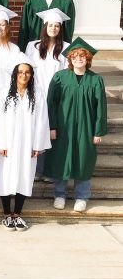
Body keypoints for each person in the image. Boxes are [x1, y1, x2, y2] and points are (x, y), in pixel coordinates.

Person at [45, 38, 108, 213]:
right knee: (61, 159)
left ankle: (82, 196)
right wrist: (52, 127)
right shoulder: (60, 77)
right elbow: (51, 104)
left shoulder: (96, 80)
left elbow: (101, 107)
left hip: (86, 128)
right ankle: (59, 194)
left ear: (87, 59)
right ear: (70, 58)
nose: (78, 59)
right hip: (63, 127)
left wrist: (98, 131)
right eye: (75, 56)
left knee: (83, 160)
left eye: (82, 56)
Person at [0, 53, 51, 231]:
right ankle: (6, 214)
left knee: (24, 176)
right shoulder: (4, 93)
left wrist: (38, 145)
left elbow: (42, 120)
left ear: (31, 74)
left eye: (27, 72)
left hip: (28, 142)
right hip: (8, 143)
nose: (24, 75)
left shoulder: (38, 94)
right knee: (6, 177)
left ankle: (17, 214)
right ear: (14, 74)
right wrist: (0, 143)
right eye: (20, 72)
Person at [24, 8, 71, 181]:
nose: (53, 28)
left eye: (57, 26)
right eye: (50, 25)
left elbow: (67, 73)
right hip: (36, 94)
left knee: (53, 132)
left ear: (60, 29)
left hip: (56, 97)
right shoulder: (33, 46)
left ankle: (50, 170)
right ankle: (36, 169)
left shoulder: (66, 48)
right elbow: (27, 69)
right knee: (37, 131)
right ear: (45, 27)